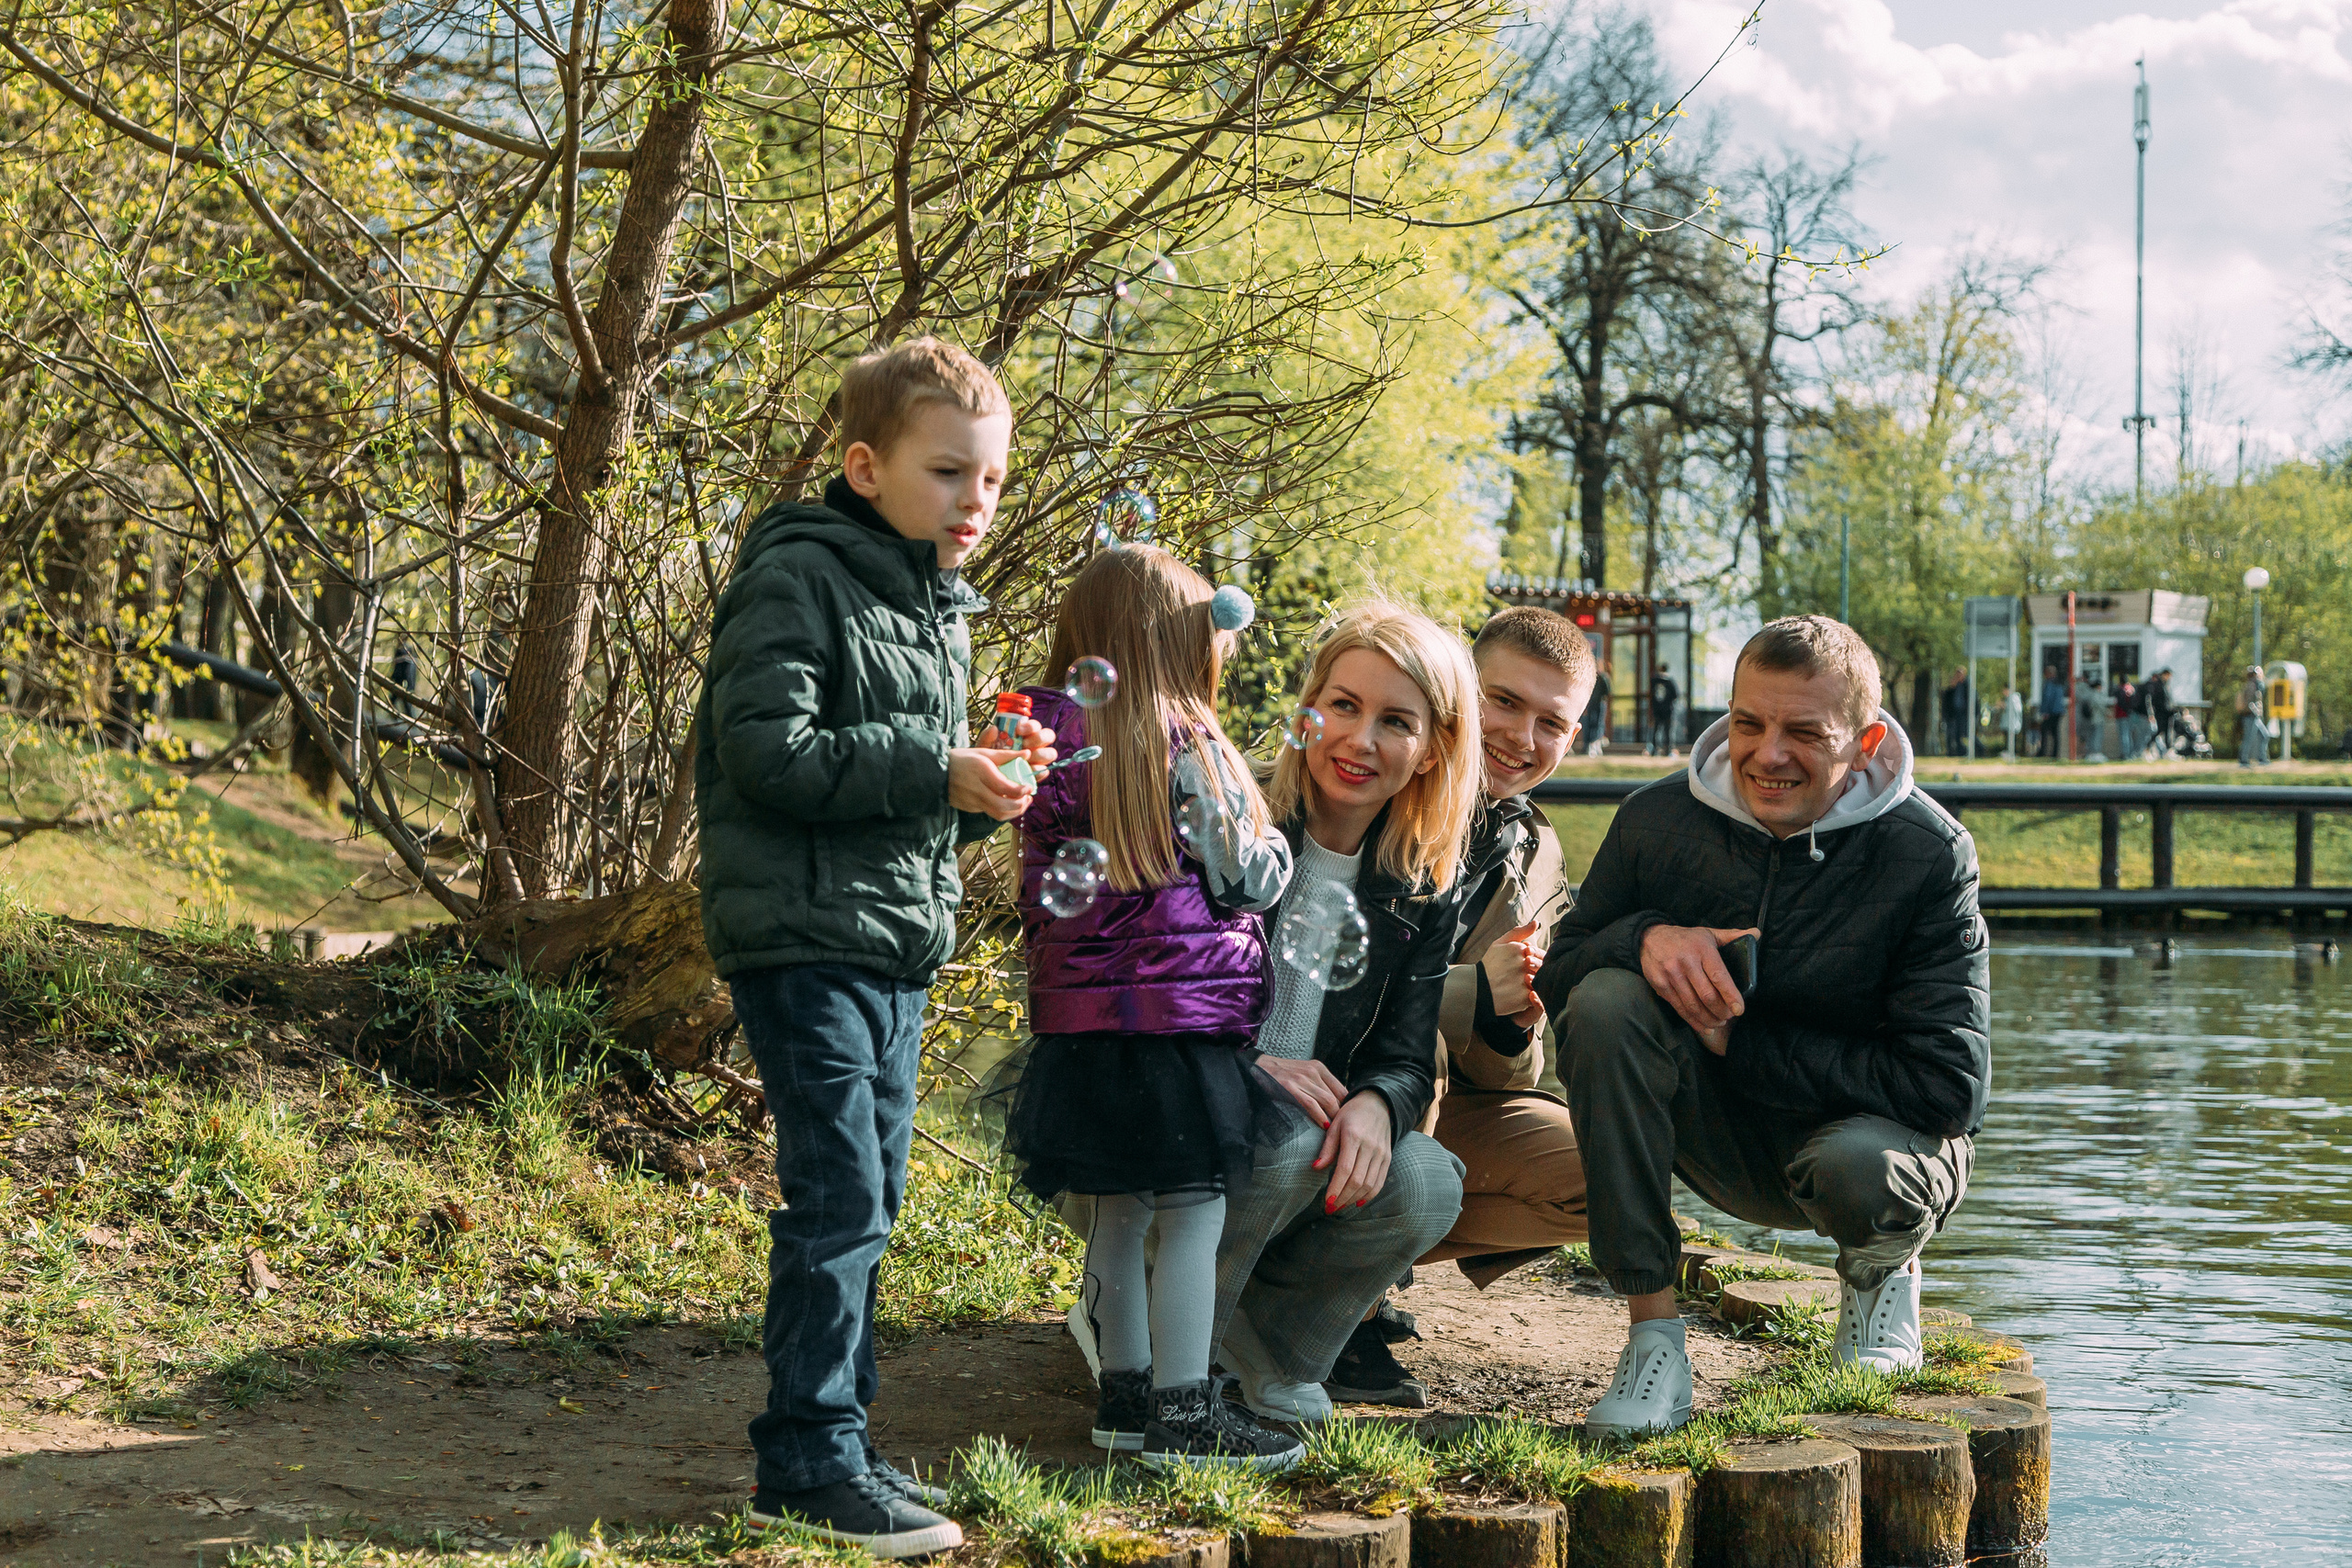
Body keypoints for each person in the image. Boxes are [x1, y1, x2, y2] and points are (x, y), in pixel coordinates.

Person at [697, 337, 1057, 1554]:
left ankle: (835, 1432)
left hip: (886, 945)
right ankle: (804, 1458)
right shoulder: (797, 578)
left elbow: (891, 799)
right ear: (865, 465)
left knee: (874, 1193)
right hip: (803, 945)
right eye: (950, 472)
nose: (977, 501)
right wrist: (929, 765)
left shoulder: (927, 603)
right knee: (839, 1193)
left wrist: (976, 791)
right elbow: (770, 756)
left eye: (994, 480)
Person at [1536, 615, 1986, 1437]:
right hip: (1719, 1131)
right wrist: (1644, 939)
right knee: (1605, 1001)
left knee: (1858, 1166)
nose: (1767, 754)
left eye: (1804, 732)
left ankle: (1881, 1277)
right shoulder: (1655, 819)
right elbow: (1559, 971)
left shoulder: (1931, 853)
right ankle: (1654, 1340)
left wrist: (1739, 1042)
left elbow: (1947, 1087)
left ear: (1866, 739)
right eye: (1749, 723)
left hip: (1875, 1149)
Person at [995, 547, 1305, 1472]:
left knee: (1119, 1212)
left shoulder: (1034, 731)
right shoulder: (1190, 743)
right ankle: (1185, 1413)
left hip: (1079, 1026)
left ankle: (1124, 1397)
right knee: (1193, 1212)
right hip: (1180, 1021)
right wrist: (1277, 849)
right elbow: (1243, 879)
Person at [1209, 602, 1478, 1427]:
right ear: (1307, 708)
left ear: (1432, 749)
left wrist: (1378, 1103)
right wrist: (1249, 1061)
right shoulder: (1234, 818)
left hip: (1289, 1139)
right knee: (1287, 1134)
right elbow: (1152, 1001)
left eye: (1395, 720)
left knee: (1428, 1179)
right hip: (1179, 1112)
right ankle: (1146, 1335)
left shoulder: (1424, 881)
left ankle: (1269, 1349)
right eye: (1344, 704)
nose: (1359, 740)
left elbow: (1403, 1053)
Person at [1323, 607, 1594, 1406]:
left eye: (1552, 721)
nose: (1520, 735)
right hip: (1316, 1081)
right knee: (1420, 1055)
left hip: (1436, 1103)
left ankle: (1358, 1271)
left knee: (1609, 1170)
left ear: (1572, 738)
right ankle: (1334, 1310)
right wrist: (1473, 994)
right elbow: (1318, 977)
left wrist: (1514, 1017)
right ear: (1459, 696)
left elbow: (1510, 1074)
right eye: (1503, 702)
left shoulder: (1539, 848)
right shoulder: (1371, 779)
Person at [2237, 665, 2269, 768]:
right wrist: (2255, 710)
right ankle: (2243, 760)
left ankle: (2262, 758)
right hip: (2250, 716)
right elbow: (2249, 702)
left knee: (2264, 735)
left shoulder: (2255, 686)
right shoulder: (2251, 686)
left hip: (2255, 717)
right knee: (2248, 738)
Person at [1648, 661, 1679, 758]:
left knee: (1656, 729)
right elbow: (1675, 695)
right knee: (1667, 730)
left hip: (1657, 709)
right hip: (1667, 710)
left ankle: (1654, 749)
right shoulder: (1670, 681)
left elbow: (1651, 695)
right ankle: (1667, 749)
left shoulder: (1654, 681)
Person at [1580, 665, 1612, 756]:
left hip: (1599, 703)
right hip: (1592, 703)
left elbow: (1607, 691)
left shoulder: (1603, 678)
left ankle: (1595, 742)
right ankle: (1590, 743)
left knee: (1598, 723)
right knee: (1591, 723)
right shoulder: (1590, 678)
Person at [2146, 668, 2177, 759]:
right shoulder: (2158, 685)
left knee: (2167, 731)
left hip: (2167, 713)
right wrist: (2152, 713)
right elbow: (2155, 700)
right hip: (2161, 713)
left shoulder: (2165, 685)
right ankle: (2148, 748)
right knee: (2160, 731)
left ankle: (2168, 751)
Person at [2037, 667, 2066, 758]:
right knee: (2055, 733)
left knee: (2044, 731)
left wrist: (2045, 712)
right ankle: (2055, 753)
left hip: (2050, 712)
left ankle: (2043, 751)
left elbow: (2047, 698)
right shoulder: (2059, 683)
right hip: (2058, 711)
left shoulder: (2049, 684)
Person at [1940, 668, 1969, 758]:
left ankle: (1962, 751)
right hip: (1951, 714)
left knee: (1960, 734)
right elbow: (1946, 700)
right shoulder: (1952, 687)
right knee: (1950, 733)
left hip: (1962, 714)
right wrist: (1951, 687)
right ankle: (1950, 752)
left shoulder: (1966, 685)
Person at [2116, 675, 2145, 761]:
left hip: (2122, 715)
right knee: (2130, 735)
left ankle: (2126, 754)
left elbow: (2121, 703)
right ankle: (2131, 753)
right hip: (2132, 715)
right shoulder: (2131, 689)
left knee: (2124, 735)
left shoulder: (2121, 690)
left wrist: (2127, 710)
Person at [2000, 683, 2023, 760]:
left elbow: (2017, 710)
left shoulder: (2014, 698)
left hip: (2012, 724)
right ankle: (2009, 753)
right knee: (2007, 740)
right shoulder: (2009, 698)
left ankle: (2012, 754)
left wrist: (2004, 706)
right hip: (2008, 724)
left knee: (2012, 741)